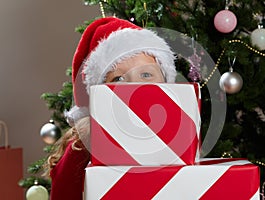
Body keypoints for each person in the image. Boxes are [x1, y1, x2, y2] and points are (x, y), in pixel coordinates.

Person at [44, 17, 177, 200]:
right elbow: (63, 193)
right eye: (118, 79)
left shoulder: (177, 132)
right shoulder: (83, 144)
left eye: (146, 74)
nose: (134, 86)